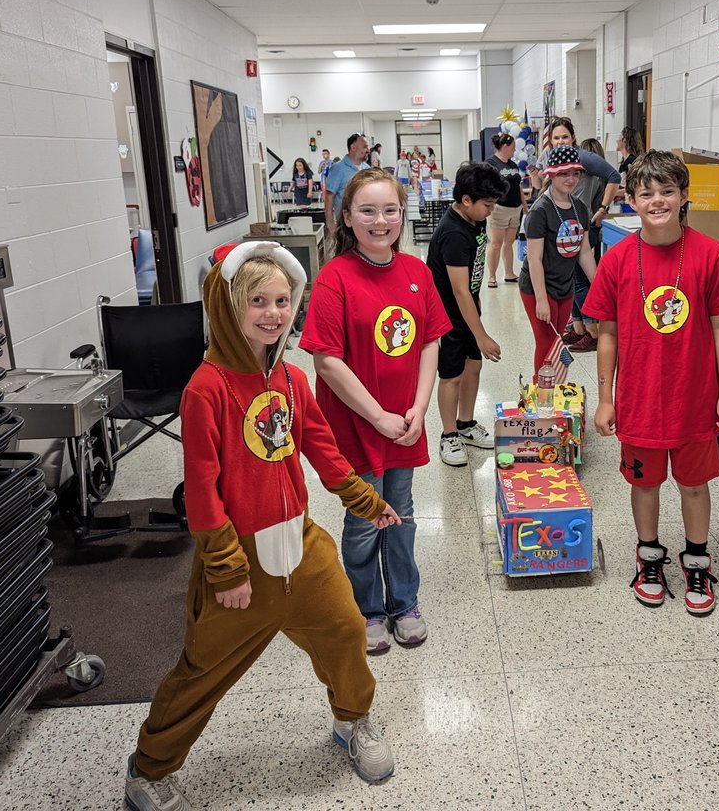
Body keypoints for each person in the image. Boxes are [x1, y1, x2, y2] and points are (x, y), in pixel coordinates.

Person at [125, 241, 404, 810]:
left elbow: (323, 450)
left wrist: (364, 501)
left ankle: (353, 723)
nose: (274, 313)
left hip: (302, 548)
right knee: (201, 673)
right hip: (239, 565)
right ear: (228, 303)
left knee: (346, 632)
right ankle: (148, 771)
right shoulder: (206, 389)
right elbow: (202, 491)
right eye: (258, 300)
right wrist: (226, 569)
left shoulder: (293, 380)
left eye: (282, 300)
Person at [582, 151, 719, 616]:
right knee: (646, 484)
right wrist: (605, 399)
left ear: (684, 196)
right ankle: (649, 556)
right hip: (640, 400)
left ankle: (697, 559)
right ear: (631, 200)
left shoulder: (710, 253)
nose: (656, 200)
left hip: (694, 398)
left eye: (666, 191)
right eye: (645, 193)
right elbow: (607, 335)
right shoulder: (616, 260)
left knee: (694, 485)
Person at [299, 168, 450, 655]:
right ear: (347, 216)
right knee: (365, 520)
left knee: (401, 513)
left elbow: (430, 339)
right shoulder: (334, 278)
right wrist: (378, 416)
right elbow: (326, 360)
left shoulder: (416, 272)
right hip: (357, 426)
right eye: (367, 210)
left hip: (404, 424)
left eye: (390, 210)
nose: (380, 220)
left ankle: (404, 602)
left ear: (402, 214)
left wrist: (420, 406)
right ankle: (367, 609)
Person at [426, 162, 508, 466]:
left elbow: (469, 291)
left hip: (468, 308)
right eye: (487, 204)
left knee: (473, 366)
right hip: (447, 314)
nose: (490, 210)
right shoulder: (453, 234)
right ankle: (448, 435)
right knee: (451, 375)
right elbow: (459, 291)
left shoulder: (475, 220)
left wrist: (477, 328)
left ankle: (466, 424)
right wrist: (481, 334)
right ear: (466, 200)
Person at [516, 144, 598, 377]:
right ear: (551, 174)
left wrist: (600, 286)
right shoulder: (541, 210)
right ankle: (542, 398)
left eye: (575, 173)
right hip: (538, 288)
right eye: (564, 173)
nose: (570, 179)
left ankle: (557, 391)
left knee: (557, 342)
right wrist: (541, 299)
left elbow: (584, 253)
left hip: (565, 287)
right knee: (546, 342)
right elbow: (534, 258)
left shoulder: (580, 208)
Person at [542, 117, 620, 352]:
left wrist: (603, 209)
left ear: (573, 138)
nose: (560, 141)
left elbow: (614, 176)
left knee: (578, 281)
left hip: (582, 228)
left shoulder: (582, 157)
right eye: (556, 138)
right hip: (566, 227)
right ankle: (579, 329)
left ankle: (593, 332)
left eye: (565, 136)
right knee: (572, 280)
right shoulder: (554, 158)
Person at [484, 131, 526, 287]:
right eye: (513, 147)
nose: (515, 151)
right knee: (496, 243)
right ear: (505, 146)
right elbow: (485, 187)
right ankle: (492, 276)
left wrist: (525, 206)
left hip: (516, 208)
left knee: (509, 242)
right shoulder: (491, 163)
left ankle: (509, 273)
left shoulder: (513, 164)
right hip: (499, 208)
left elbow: (518, 186)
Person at [323, 133, 370, 231]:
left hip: (365, 223)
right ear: (353, 147)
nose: (368, 150)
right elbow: (329, 197)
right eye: (365, 147)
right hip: (345, 225)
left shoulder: (366, 169)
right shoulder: (338, 169)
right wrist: (331, 224)